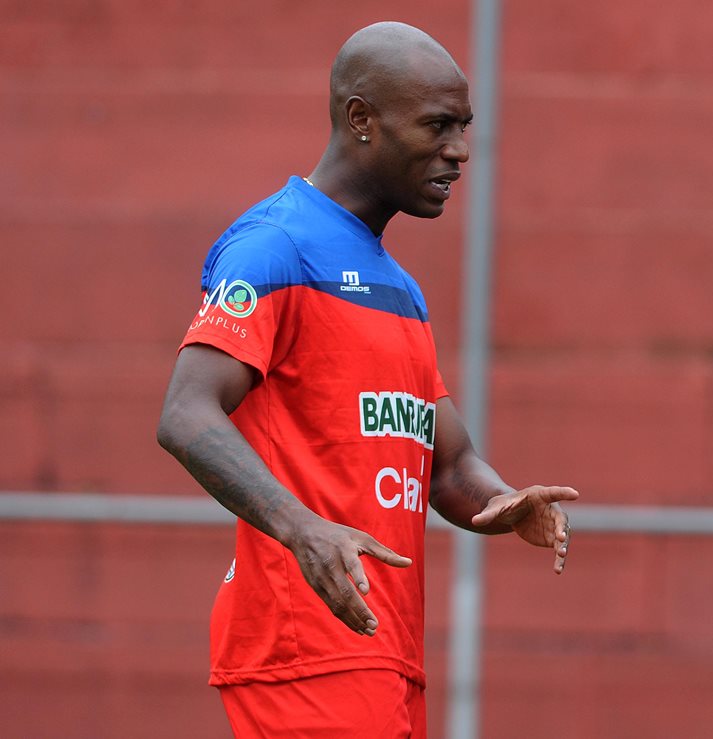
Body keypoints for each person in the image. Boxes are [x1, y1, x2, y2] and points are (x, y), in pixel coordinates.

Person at [156, 22, 578, 738]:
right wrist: (304, 529)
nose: (460, 150)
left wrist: (502, 500)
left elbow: (447, 462)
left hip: (386, 650)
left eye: (465, 127)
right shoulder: (274, 246)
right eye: (438, 125)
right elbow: (186, 414)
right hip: (305, 649)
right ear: (361, 120)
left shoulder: (400, 288)